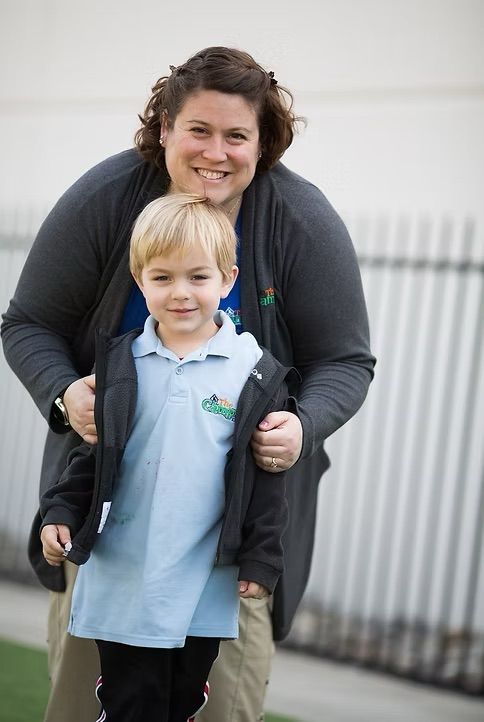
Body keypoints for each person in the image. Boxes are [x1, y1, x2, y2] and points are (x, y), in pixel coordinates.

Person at [1, 46, 375, 722]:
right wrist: (66, 394)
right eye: (199, 129)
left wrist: (302, 425)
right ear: (164, 127)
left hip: (227, 552)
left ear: (264, 144)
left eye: (238, 135)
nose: (217, 152)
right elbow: (28, 323)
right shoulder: (105, 200)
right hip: (109, 540)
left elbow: (346, 363)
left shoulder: (300, 222)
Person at [39, 193, 292, 722]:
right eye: (162, 278)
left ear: (228, 279)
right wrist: (61, 513)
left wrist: (263, 556)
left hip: (203, 580)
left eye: (198, 278)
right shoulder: (120, 364)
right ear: (139, 280)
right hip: (123, 574)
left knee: (180, 703)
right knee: (131, 702)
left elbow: (265, 480)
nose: (181, 293)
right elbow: (93, 459)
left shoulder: (255, 373)